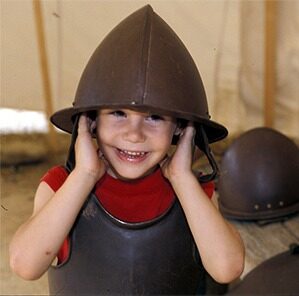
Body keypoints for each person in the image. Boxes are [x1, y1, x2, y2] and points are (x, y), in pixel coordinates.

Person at [9, 5, 244, 295]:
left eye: (154, 117)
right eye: (118, 113)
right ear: (90, 122)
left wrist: (182, 178)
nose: (134, 134)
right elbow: (24, 265)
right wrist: (84, 175)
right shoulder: (60, 186)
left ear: (182, 130)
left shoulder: (193, 193)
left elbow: (227, 268)